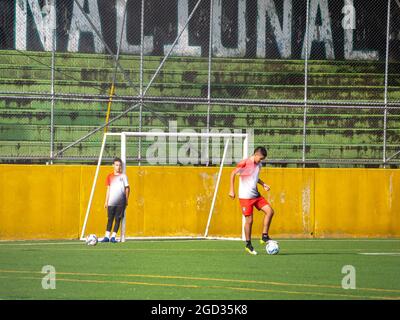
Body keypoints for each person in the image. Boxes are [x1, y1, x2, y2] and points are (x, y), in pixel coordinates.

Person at [229, 146, 274, 255]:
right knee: (249, 221)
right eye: (261, 158)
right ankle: (248, 245)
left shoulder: (259, 164)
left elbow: (255, 177)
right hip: (245, 197)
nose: (261, 160)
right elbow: (233, 173)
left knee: (270, 211)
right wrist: (231, 189)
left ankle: (264, 236)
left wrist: (263, 184)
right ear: (256, 155)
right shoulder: (244, 163)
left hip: (256, 195)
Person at [101, 157, 130, 243]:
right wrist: (106, 201)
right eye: (116, 165)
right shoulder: (109, 176)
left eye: (119, 165)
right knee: (110, 219)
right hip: (111, 202)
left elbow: (127, 188)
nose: (118, 167)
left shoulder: (123, 176)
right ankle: (106, 236)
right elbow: (108, 189)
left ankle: (113, 237)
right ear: (113, 165)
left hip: (121, 202)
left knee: (118, 219)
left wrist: (126, 200)